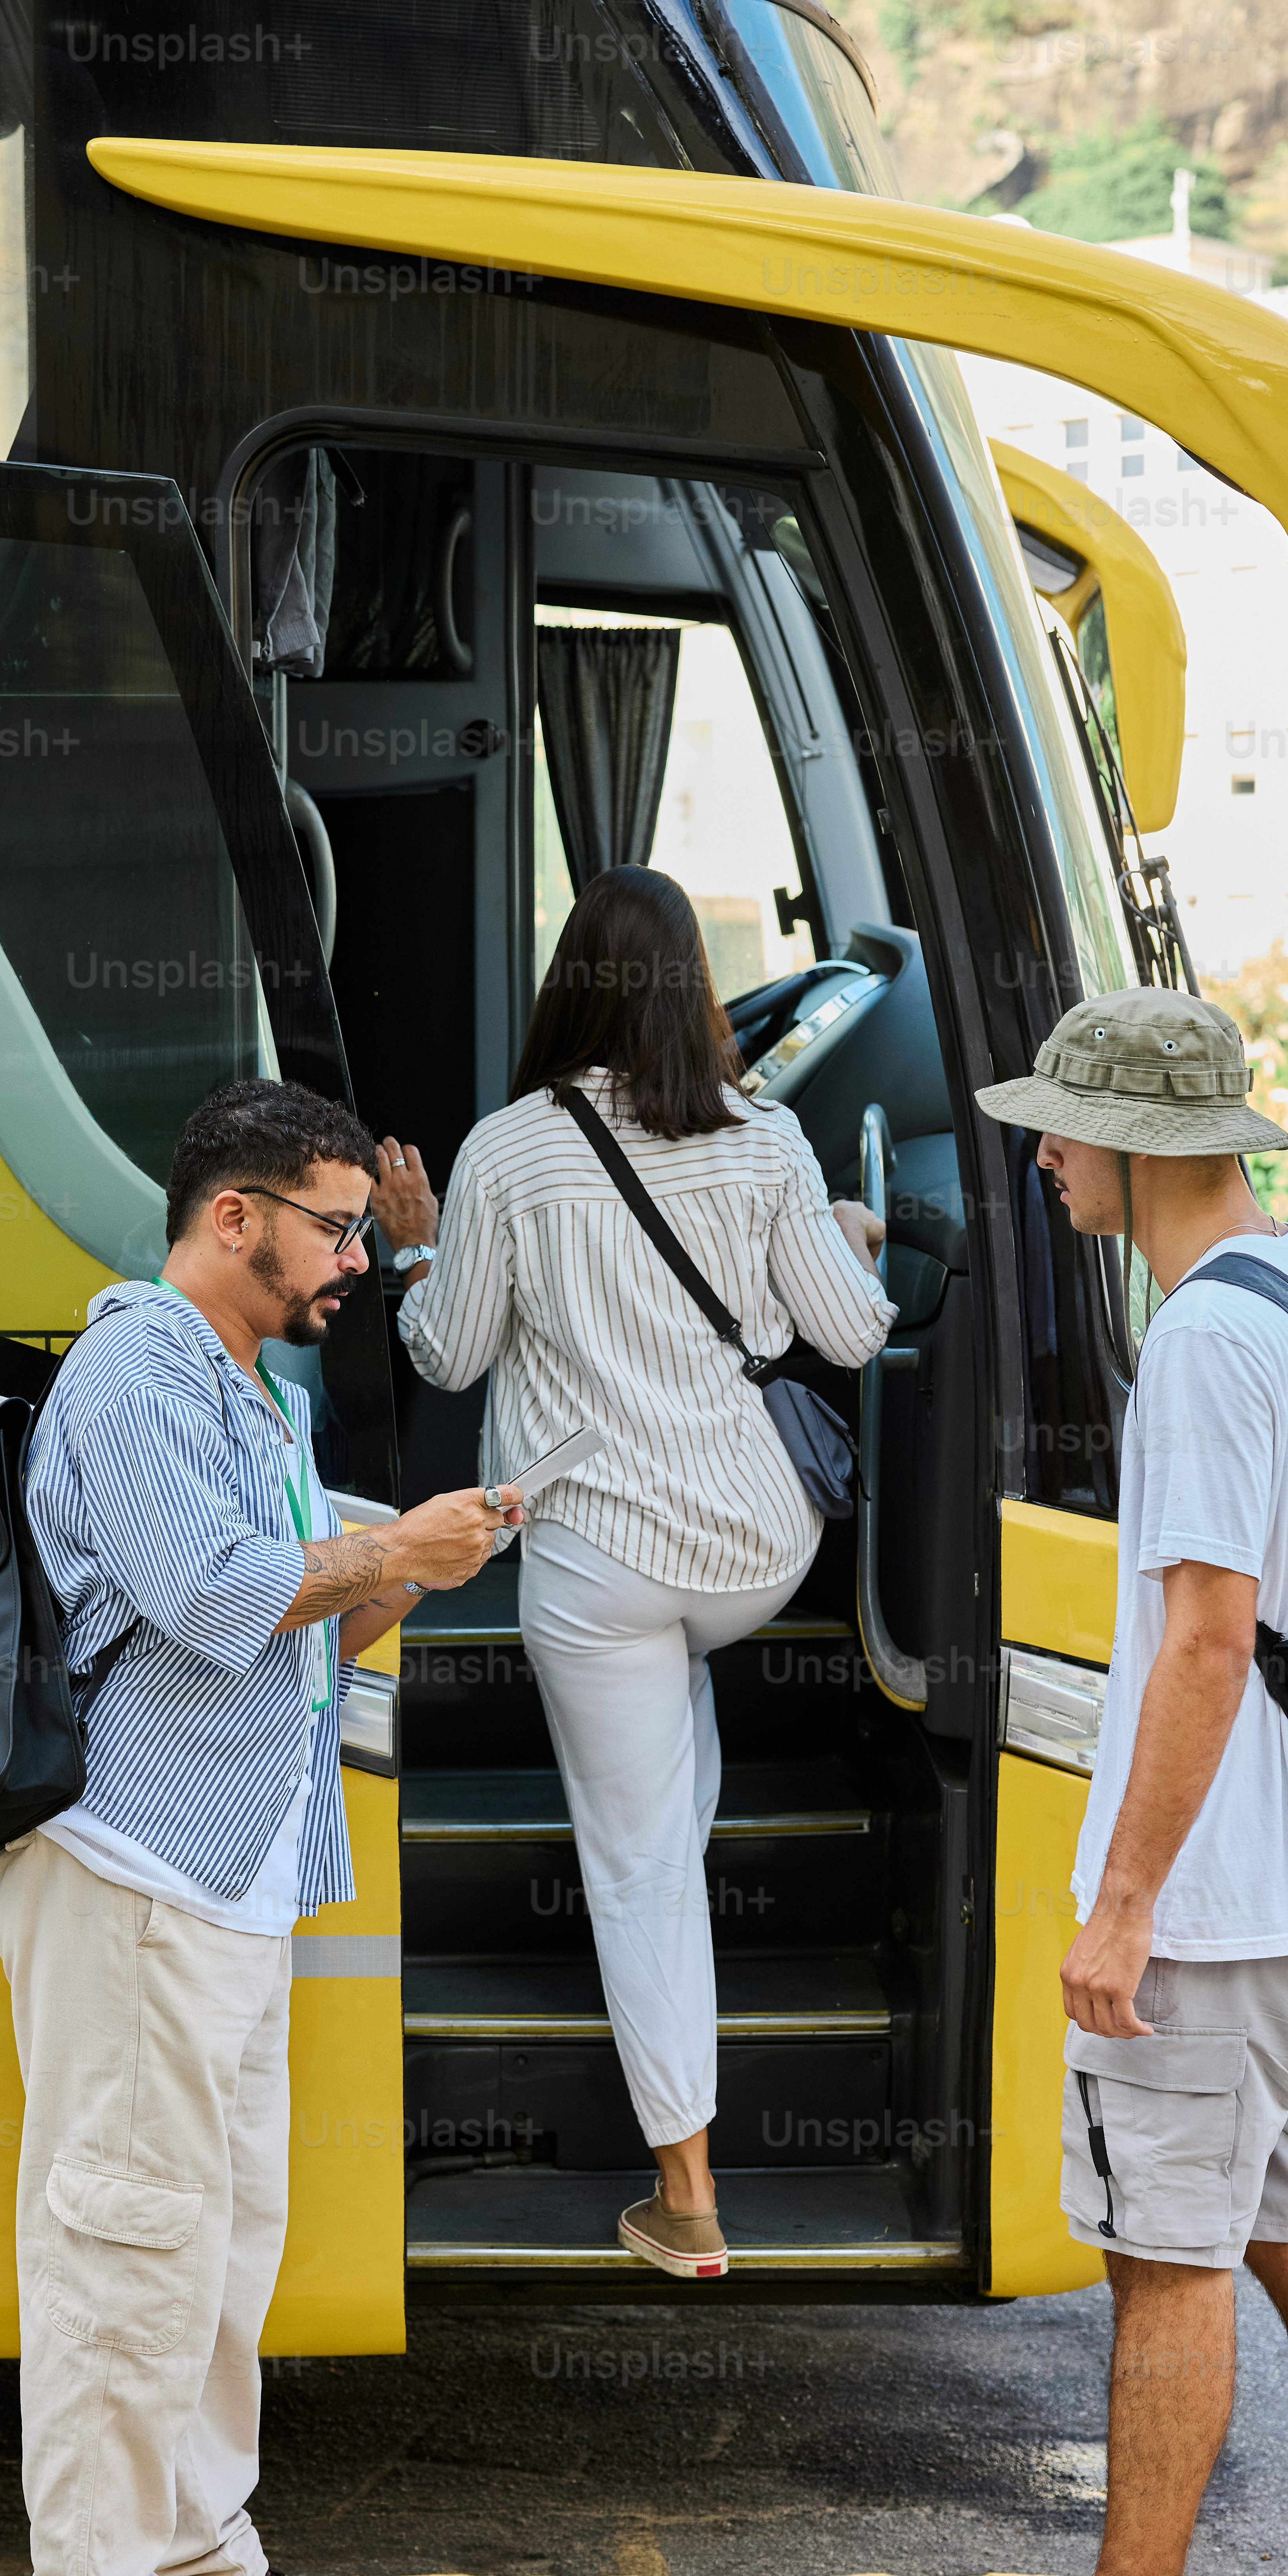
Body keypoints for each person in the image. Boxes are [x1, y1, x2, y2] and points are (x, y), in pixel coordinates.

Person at [896, 988, 1288, 2576]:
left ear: (1142, 1145)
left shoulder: (1212, 1346)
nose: (1044, 1153)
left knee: (1168, 2254)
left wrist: (1128, 1906)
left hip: (1225, 1908)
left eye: (1062, 1127)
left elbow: (1211, 1639)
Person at [0, 1077, 519, 2576]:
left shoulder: (249, 1384)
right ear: (235, 1218)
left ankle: (205, 2564)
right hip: (136, 1865)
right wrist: (387, 1550)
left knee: (220, 2238)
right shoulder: (134, 1371)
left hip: (230, 1869)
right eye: (337, 1224)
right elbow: (218, 1601)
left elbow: (295, 1648)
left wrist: (396, 1579)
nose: (360, 1256)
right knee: (124, 2239)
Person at [370, 866, 894, 2280]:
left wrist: (418, 1257)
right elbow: (849, 1340)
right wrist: (854, 1237)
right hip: (756, 1552)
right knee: (674, 1753)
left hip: (600, 1559)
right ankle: (675, 1797)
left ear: (571, 990)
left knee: (640, 1868)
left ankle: (691, 2200)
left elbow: (451, 1355)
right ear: (699, 994)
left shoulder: (507, 1152)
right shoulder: (770, 1139)